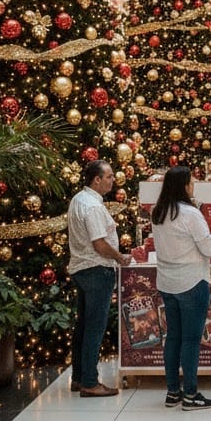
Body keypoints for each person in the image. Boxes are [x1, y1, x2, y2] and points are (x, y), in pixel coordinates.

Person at [151, 166, 211, 410]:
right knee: (190, 339)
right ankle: (190, 394)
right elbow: (208, 247)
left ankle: (172, 392)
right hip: (192, 281)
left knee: (173, 337)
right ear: (184, 186)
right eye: (191, 183)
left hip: (167, 282)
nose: (193, 186)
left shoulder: (158, 211)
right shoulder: (190, 214)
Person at [67, 160, 131, 397]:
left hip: (81, 268)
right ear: (97, 179)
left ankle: (79, 377)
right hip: (96, 269)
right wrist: (120, 257)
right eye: (109, 176)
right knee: (94, 327)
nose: (113, 180)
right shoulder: (93, 206)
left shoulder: (78, 199)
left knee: (84, 325)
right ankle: (90, 382)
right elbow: (99, 243)